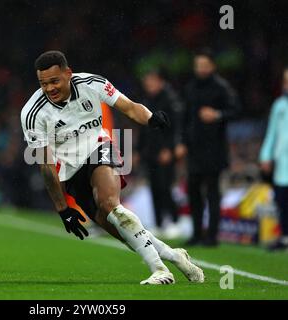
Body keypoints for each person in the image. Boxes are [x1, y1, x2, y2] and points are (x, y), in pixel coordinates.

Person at [20, 50, 204, 285]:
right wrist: (62, 209)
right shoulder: (32, 113)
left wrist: (150, 118)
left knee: (110, 204)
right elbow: (45, 165)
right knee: (120, 229)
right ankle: (173, 255)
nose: (49, 88)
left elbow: (128, 106)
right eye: (43, 84)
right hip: (69, 170)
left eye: (54, 81)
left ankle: (159, 270)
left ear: (68, 73)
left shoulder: (92, 83)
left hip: (99, 148)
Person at [178, 48, 241, 247]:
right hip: (195, 150)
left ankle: (212, 236)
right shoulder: (190, 88)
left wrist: (217, 115)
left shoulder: (221, 87)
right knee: (194, 192)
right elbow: (184, 118)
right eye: (198, 65)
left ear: (212, 66)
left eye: (205, 65)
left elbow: (236, 110)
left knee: (213, 193)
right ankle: (197, 233)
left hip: (214, 150)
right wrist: (181, 142)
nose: (201, 69)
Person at [137, 69, 184, 232]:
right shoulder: (147, 100)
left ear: (160, 81)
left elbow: (175, 126)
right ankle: (158, 223)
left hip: (165, 151)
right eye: (147, 82)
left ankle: (175, 221)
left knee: (165, 186)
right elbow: (143, 128)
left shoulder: (170, 100)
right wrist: (138, 150)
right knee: (154, 188)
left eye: (151, 81)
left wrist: (170, 148)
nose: (148, 85)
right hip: (150, 151)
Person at [259, 67, 288, 251]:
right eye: (285, 81)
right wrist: (266, 156)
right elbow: (271, 133)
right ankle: (285, 236)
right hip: (282, 164)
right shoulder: (279, 105)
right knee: (282, 200)